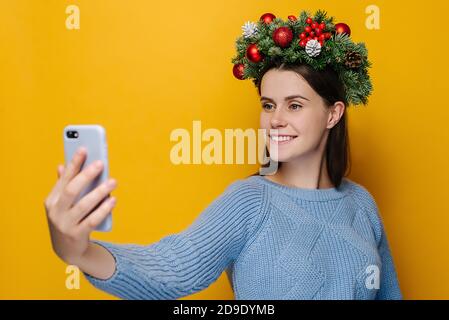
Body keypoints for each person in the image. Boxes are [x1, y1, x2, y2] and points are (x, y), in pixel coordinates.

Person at [44, 9, 402, 299]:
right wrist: (79, 252)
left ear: (333, 114)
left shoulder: (362, 205)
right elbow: (172, 268)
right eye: (268, 104)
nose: (275, 120)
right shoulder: (249, 201)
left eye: (294, 105)